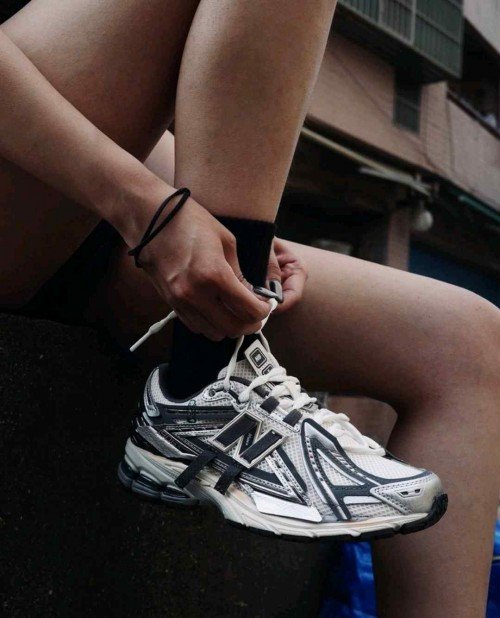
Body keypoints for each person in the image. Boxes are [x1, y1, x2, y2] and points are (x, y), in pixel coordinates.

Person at [0, 1, 498, 616]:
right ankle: (205, 380)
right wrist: (147, 208)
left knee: (466, 341)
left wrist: (223, 225)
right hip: (64, 195)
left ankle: (212, 368)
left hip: (89, 212)